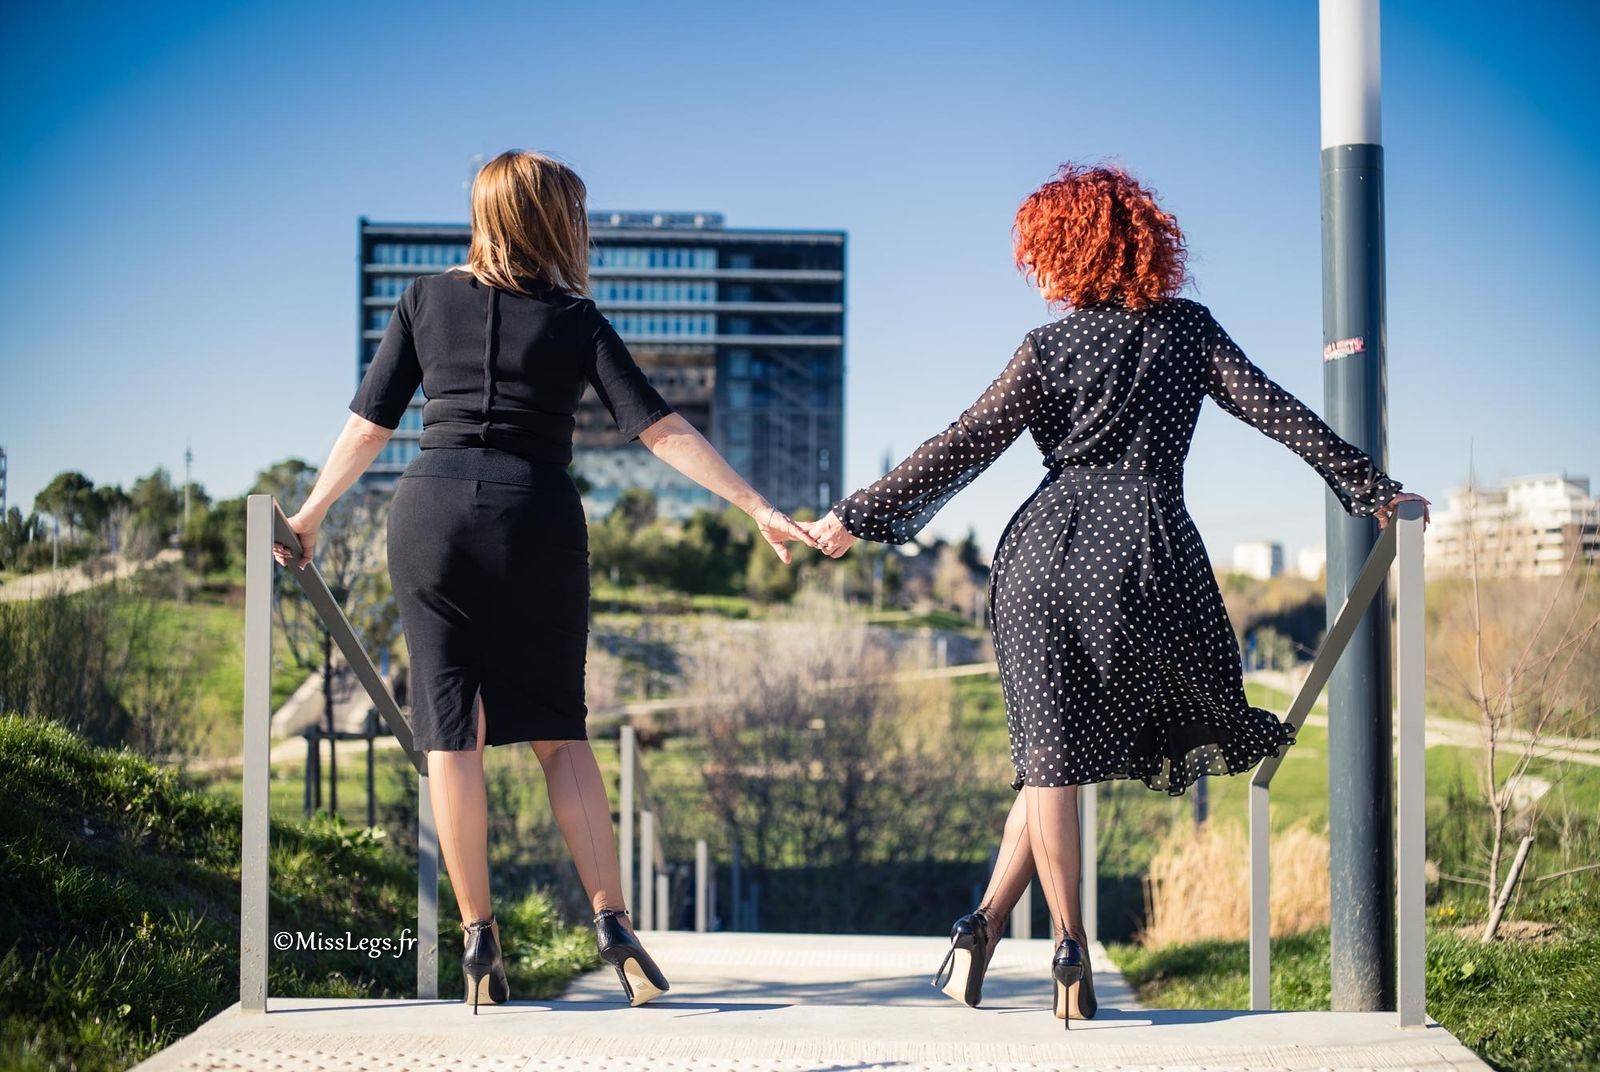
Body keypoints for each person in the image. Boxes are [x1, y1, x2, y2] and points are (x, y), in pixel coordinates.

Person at [801, 162, 1430, 1027]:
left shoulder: (1044, 349)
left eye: (1040, 252)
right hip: (1144, 557)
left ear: (1069, 250)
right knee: (1052, 761)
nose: (1036, 270)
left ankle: (1068, 945)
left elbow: (960, 445)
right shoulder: (1187, 331)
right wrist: (1371, 487)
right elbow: (1277, 411)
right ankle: (981, 930)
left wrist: (856, 515)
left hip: (1042, 558)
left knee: (1048, 759)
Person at [273, 149, 819, 1011]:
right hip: (535, 517)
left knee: (450, 735)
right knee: (560, 736)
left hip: (430, 514)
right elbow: (658, 427)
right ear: (553, 222)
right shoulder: (573, 317)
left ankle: (478, 941)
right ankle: (614, 927)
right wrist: (756, 506)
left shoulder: (422, 299)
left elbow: (369, 425)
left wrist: (309, 515)